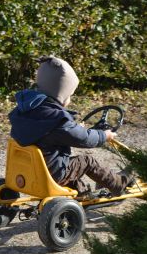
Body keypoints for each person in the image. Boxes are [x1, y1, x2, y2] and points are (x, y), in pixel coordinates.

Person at [9, 55, 133, 197]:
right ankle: (118, 183)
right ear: (60, 94)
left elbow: (57, 133)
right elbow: (84, 139)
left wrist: (73, 126)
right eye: (69, 95)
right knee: (87, 161)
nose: (70, 98)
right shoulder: (58, 122)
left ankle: (81, 193)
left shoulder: (25, 111)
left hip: (26, 170)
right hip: (52, 173)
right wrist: (104, 135)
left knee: (69, 163)